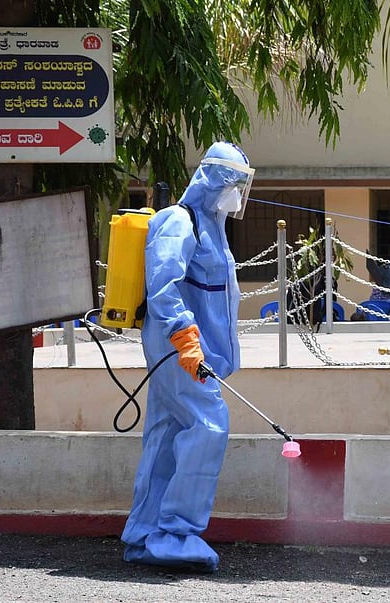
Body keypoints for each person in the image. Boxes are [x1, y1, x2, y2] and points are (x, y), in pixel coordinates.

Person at [121, 142, 254, 573]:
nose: (237, 195)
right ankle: (176, 532)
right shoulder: (179, 221)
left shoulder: (213, 228)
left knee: (165, 435)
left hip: (188, 350)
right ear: (213, 181)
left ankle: (144, 533)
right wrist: (185, 339)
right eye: (233, 184)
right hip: (177, 348)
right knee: (209, 425)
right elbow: (164, 285)